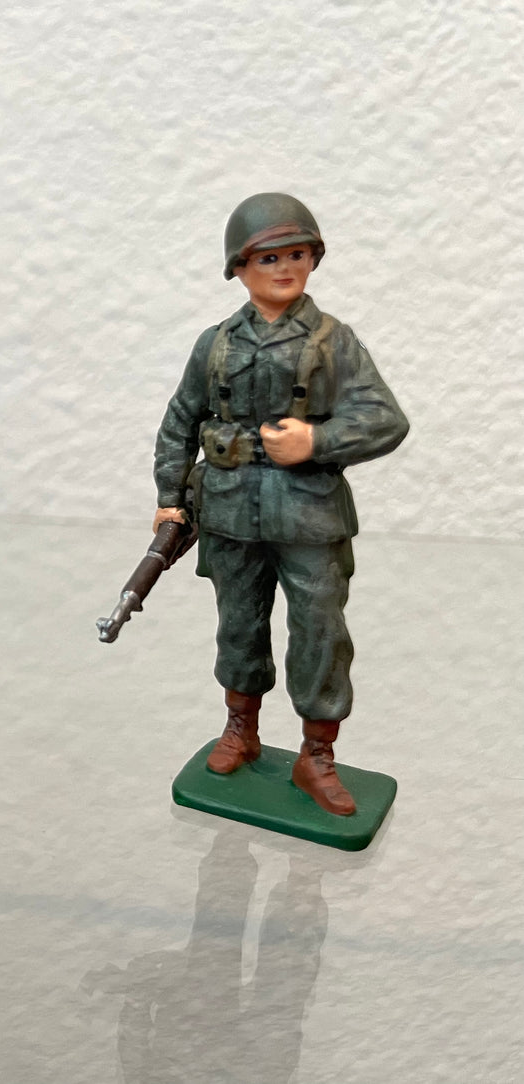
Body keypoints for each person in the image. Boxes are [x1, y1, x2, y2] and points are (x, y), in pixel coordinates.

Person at [153, 193, 408, 815]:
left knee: (320, 629)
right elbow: (180, 420)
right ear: (239, 268)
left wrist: (316, 442)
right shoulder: (215, 343)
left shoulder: (333, 342)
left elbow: (385, 419)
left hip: (309, 514)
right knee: (239, 622)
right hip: (230, 512)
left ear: (313, 259)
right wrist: (169, 499)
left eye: (296, 254)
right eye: (268, 258)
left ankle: (317, 754)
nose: (285, 268)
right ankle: (240, 728)